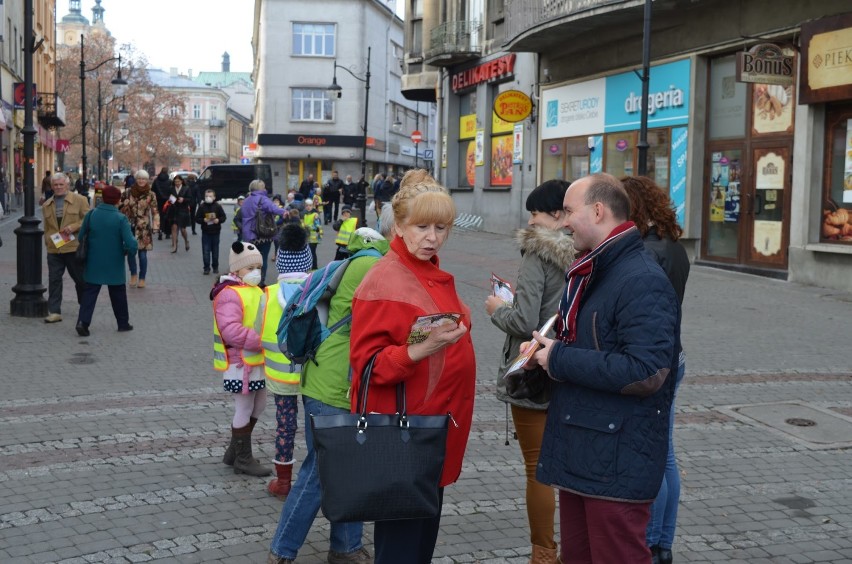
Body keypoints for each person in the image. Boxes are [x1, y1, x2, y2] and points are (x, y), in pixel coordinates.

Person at [526, 173, 681, 564]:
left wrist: (558, 358)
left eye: (569, 211)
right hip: (586, 446)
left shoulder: (641, 278)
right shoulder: (594, 268)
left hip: (616, 458)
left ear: (598, 211)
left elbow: (646, 370)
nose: (562, 222)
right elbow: (591, 344)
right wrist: (545, 351)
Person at [348, 169, 476, 564]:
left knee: (419, 546)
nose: (432, 238)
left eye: (441, 227)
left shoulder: (428, 272)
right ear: (398, 226)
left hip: (432, 432)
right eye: (422, 227)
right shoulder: (385, 279)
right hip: (405, 440)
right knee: (402, 550)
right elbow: (366, 366)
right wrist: (418, 350)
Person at [267, 226, 389, 564]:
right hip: (333, 384)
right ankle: (281, 551)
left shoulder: (357, 259)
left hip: (327, 377)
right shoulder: (373, 265)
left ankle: (346, 547)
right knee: (320, 471)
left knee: (345, 468)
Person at [484, 179, 575, 564]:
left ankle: (543, 553)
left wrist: (495, 308)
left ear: (556, 214)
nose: (531, 220)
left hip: (535, 369)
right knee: (570, 468)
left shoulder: (539, 253)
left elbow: (524, 319)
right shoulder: (589, 252)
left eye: (536, 212)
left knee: (537, 467)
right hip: (572, 369)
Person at [621, 176, 690, 564]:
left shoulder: (647, 253)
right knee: (665, 454)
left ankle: (651, 542)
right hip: (674, 356)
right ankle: (662, 543)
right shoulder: (673, 246)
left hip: (656, 363)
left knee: (654, 455)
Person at [210, 241, 271, 477]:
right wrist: (261, 339)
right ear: (236, 270)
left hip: (255, 361)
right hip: (240, 362)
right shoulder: (229, 294)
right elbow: (231, 330)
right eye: (250, 268)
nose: (256, 271)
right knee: (244, 407)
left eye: (258, 266)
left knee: (260, 403)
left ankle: (234, 451)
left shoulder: (254, 290)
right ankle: (243, 458)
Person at [263, 223, 314, 501]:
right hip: (312, 376)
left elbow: (257, 334)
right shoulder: (317, 293)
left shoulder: (267, 295)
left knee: (285, 426)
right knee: (316, 424)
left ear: (280, 261)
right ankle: (318, 477)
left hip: (280, 378)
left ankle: (283, 482)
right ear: (307, 261)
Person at [75, 185, 138, 336]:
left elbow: (80, 236)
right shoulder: (120, 218)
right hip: (114, 262)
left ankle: (83, 322)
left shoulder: (91, 215)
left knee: (89, 293)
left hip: (93, 261)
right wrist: (130, 252)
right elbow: (131, 243)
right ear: (118, 200)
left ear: (102, 198)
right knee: (118, 294)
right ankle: (123, 323)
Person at [41, 172, 90, 323]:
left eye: (61, 184)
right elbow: (48, 227)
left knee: (80, 279)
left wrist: (74, 226)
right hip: (55, 248)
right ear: (52, 186)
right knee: (54, 280)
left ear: (67, 185)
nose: (58, 187)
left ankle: (85, 307)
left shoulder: (80, 200)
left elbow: (88, 220)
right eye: (55, 185)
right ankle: (55, 311)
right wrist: (49, 242)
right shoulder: (47, 205)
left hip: (73, 247)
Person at [239, 179, 288, 285]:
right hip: (262, 234)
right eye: (264, 187)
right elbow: (274, 209)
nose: (265, 188)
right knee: (262, 258)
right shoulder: (263, 199)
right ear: (260, 188)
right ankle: (260, 281)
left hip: (248, 235)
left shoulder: (246, 200)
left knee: (251, 259)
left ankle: (249, 279)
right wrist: (285, 212)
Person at [121, 170, 160, 288]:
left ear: (147, 180)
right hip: (129, 226)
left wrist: (156, 226)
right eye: (139, 178)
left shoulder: (151, 194)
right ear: (136, 179)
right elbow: (119, 207)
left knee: (143, 255)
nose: (141, 181)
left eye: (144, 179)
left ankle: (142, 277)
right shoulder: (128, 192)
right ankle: (133, 275)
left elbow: (155, 211)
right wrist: (125, 205)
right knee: (131, 253)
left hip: (144, 228)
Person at [195, 189, 228, 275]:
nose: (208, 198)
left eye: (210, 196)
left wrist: (218, 220)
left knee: (215, 250)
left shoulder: (217, 206)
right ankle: (206, 268)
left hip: (216, 231)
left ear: (214, 197)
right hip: (206, 232)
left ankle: (215, 266)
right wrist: (203, 220)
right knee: (206, 250)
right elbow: (197, 218)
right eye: (206, 196)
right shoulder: (202, 206)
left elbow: (223, 217)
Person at [167, 175, 193, 253]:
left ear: (181, 181)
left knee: (182, 230)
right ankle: (175, 246)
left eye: (178, 181)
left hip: (183, 210)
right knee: (174, 227)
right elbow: (168, 198)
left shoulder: (186, 188)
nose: (177, 183)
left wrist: (184, 199)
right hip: (174, 210)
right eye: (175, 182)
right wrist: (170, 200)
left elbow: (190, 199)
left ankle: (186, 241)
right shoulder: (171, 188)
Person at [302, 199, 322, 270]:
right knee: (308, 253)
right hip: (307, 237)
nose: (308, 207)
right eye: (307, 206)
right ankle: (309, 266)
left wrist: (307, 227)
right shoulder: (306, 215)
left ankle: (314, 267)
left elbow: (317, 226)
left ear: (313, 206)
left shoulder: (315, 215)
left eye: (310, 206)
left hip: (314, 237)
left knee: (312, 252)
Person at [153, 167, 172, 240]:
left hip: (159, 200)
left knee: (160, 216)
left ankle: (160, 231)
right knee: (167, 215)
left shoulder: (156, 181)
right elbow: (171, 191)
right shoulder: (169, 181)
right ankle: (167, 233)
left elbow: (153, 190)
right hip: (168, 201)